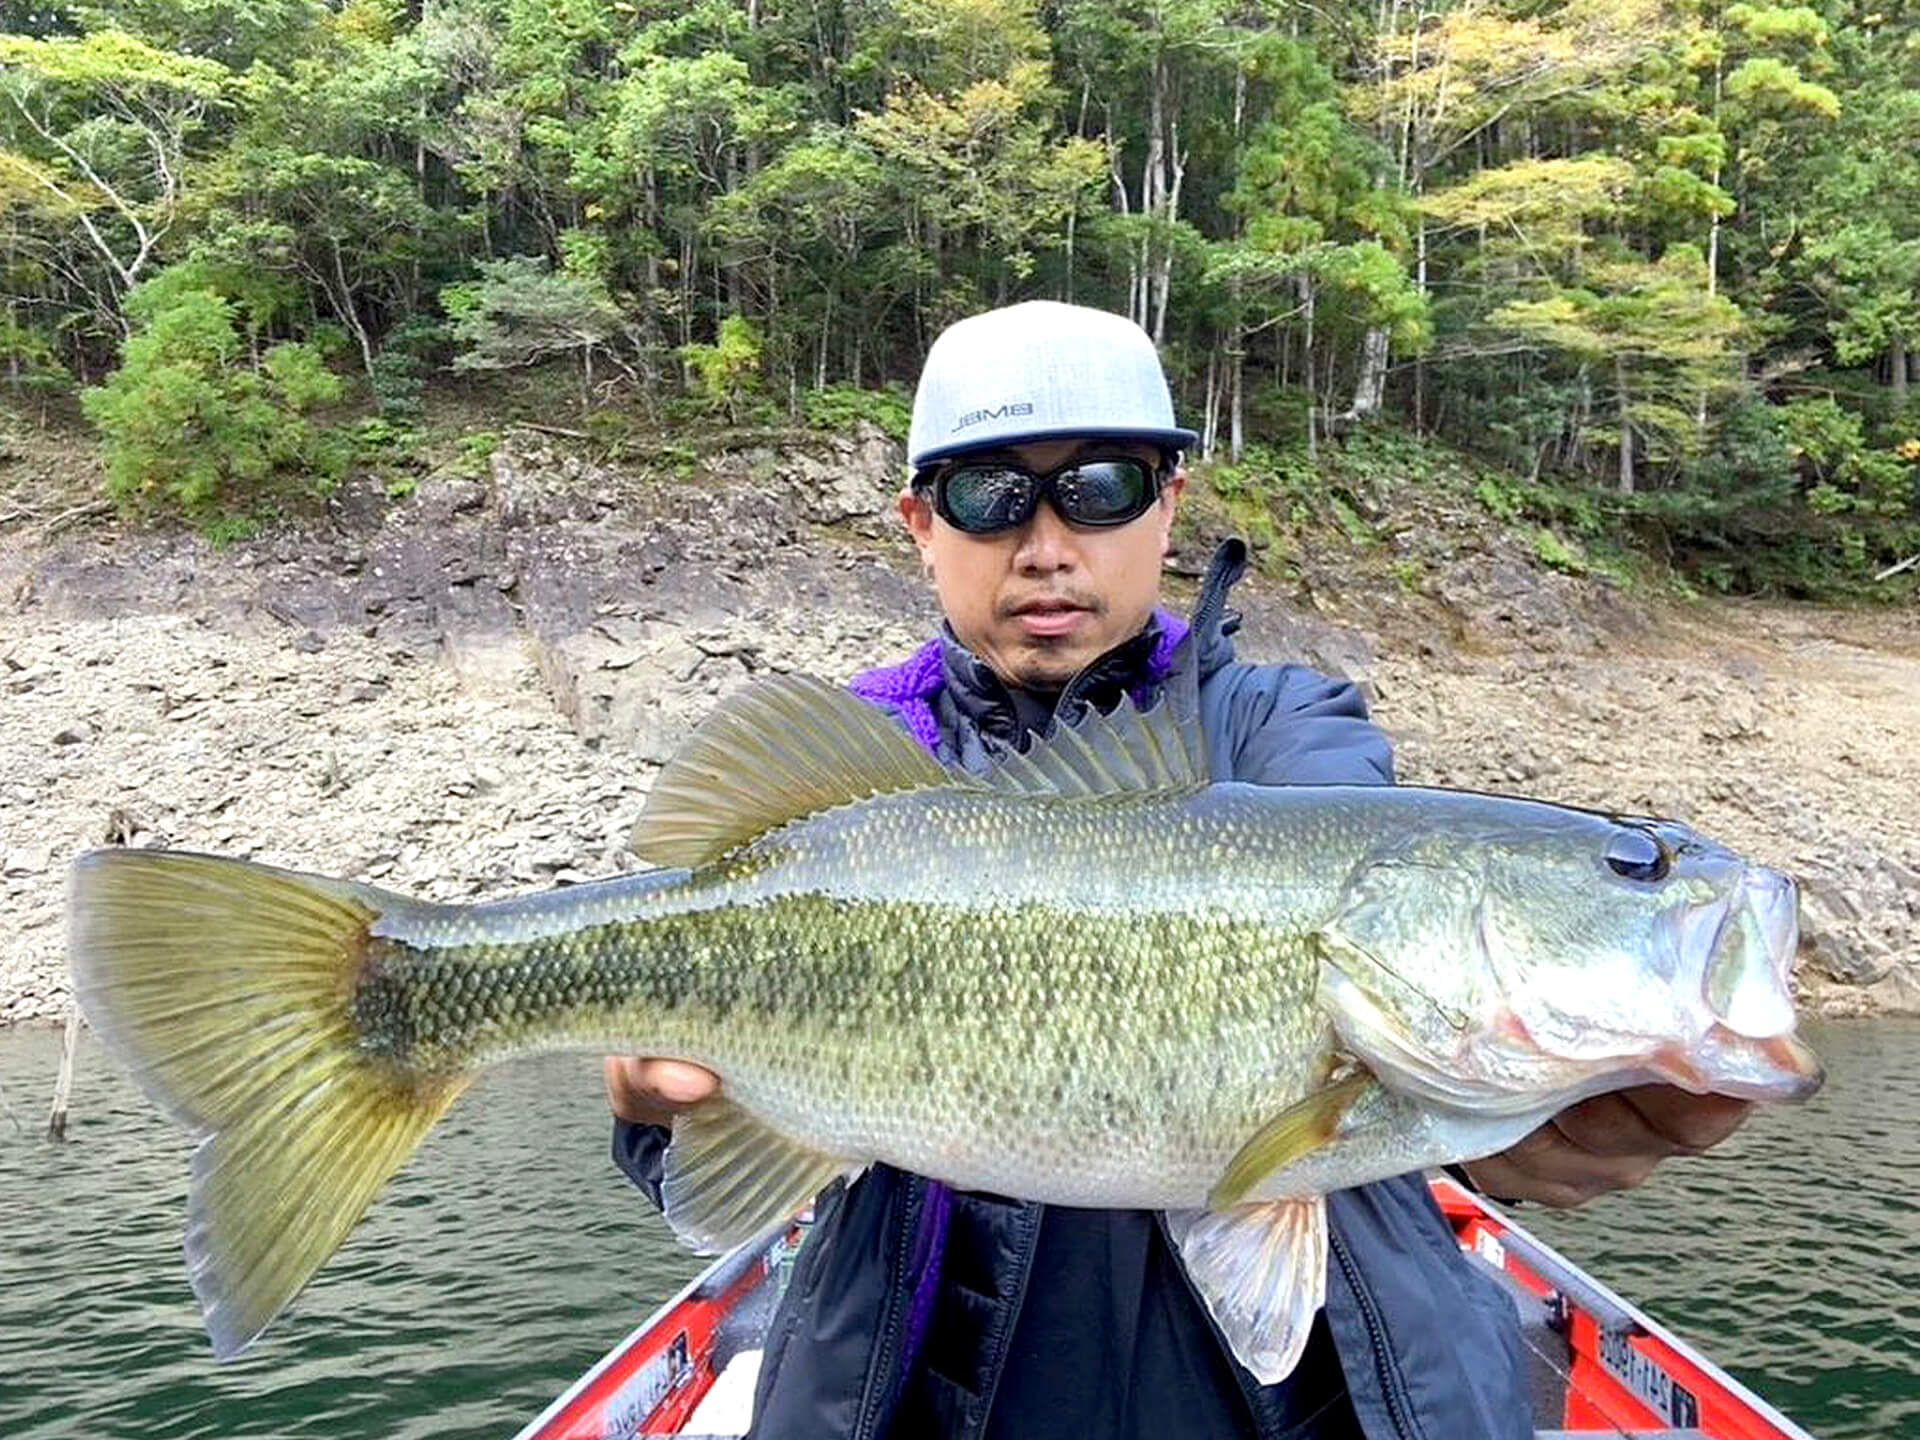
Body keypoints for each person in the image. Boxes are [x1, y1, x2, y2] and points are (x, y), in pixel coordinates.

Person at [604, 301, 1753, 1439]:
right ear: (920, 523)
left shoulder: (1283, 732)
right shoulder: (852, 783)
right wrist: (646, 1107)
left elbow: (1338, 842)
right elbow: (693, 1164)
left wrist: (1504, 1110)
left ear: (1169, 505)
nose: (1047, 545)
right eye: (987, 497)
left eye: (1101, 486)